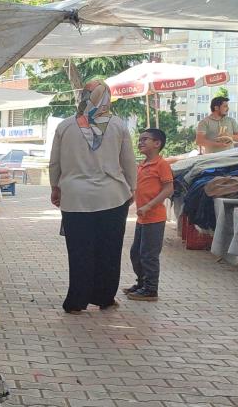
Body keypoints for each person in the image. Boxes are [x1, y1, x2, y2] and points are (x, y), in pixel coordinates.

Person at [49, 80, 136, 314]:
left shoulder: (66, 126)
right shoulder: (118, 126)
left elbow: (55, 162)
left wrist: (55, 187)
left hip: (75, 197)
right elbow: (128, 161)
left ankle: (76, 301)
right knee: (109, 249)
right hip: (112, 197)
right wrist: (132, 187)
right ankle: (104, 297)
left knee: (79, 250)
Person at [125, 128, 174, 302]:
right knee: (136, 253)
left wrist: (149, 205)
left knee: (149, 255)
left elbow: (168, 189)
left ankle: (151, 289)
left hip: (155, 218)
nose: (140, 142)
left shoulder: (161, 164)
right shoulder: (142, 165)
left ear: (157, 143)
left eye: (145, 139)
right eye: (140, 139)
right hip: (143, 218)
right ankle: (141, 284)